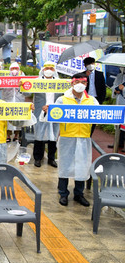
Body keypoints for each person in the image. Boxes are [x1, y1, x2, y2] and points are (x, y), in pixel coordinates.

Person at [41, 73, 97, 207]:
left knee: (82, 166)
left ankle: (79, 193)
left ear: (86, 84)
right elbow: (51, 116)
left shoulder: (92, 101)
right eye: (77, 81)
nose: (80, 84)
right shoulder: (62, 100)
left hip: (83, 138)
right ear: (72, 83)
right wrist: (46, 111)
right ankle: (63, 193)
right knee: (65, 165)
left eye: (82, 82)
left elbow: (100, 116)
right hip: (67, 137)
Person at [29, 62, 61, 167]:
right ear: (43, 70)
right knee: (39, 135)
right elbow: (27, 93)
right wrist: (22, 86)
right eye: (47, 68)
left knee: (53, 136)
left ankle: (51, 158)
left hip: (55, 112)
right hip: (40, 111)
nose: (49, 70)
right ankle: (38, 158)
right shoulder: (36, 82)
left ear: (54, 70)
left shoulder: (59, 83)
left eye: (51, 68)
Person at [82, 57, 106, 135]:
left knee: (94, 118)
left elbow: (103, 88)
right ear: (85, 65)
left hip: (96, 99)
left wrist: (101, 100)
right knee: (85, 116)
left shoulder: (99, 74)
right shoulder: (82, 75)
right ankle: (85, 133)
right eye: (89, 64)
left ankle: (90, 134)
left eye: (92, 63)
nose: (91, 65)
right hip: (85, 99)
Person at [3, 62, 26, 141]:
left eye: (16, 69)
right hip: (8, 100)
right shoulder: (6, 78)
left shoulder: (22, 78)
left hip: (19, 100)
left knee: (18, 118)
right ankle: (8, 136)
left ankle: (17, 135)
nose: (14, 70)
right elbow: (1, 87)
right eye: (13, 69)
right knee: (8, 118)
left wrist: (20, 86)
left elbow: (27, 90)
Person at [110, 68, 125, 151]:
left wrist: (123, 89)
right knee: (118, 122)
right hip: (119, 101)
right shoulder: (119, 76)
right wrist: (116, 90)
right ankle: (118, 141)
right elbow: (114, 86)